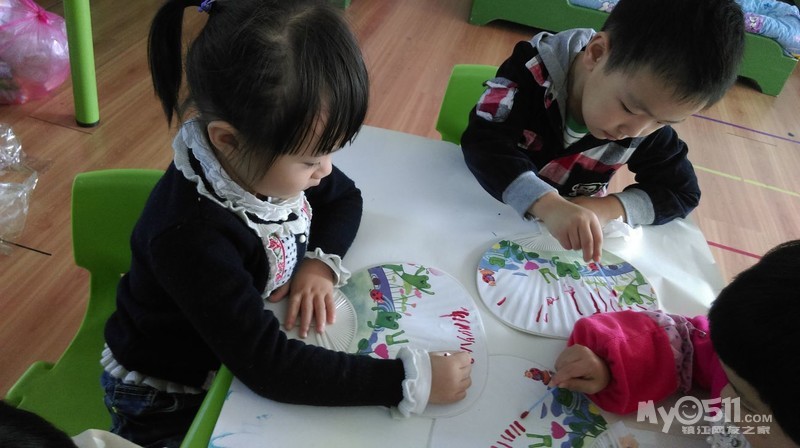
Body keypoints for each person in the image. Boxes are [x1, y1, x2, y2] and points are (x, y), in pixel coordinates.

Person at [100, 0, 472, 446]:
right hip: (166, 395)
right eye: (312, 160)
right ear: (227, 140)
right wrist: (405, 381)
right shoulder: (189, 237)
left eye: (331, 152)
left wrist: (318, 264)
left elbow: (343, 199)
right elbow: (268, 367)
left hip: (231, 349)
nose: (326, 170)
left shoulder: (264, 158)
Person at [460, 0, 745, 262]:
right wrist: (547, 204)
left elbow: (682, 191)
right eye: (629, 108)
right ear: (596, 54)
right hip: (479, 211)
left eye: (662, 121)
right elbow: (483, 143)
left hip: (552, 246)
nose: (635, 131)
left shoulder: (646, 120)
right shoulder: (530, 71)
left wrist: (606, 208)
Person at [550, 240, 800, 447]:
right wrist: (611, 364)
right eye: (731, 383)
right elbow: (688, 344)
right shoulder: (754, 356)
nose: (723, 396)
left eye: (746, 404)